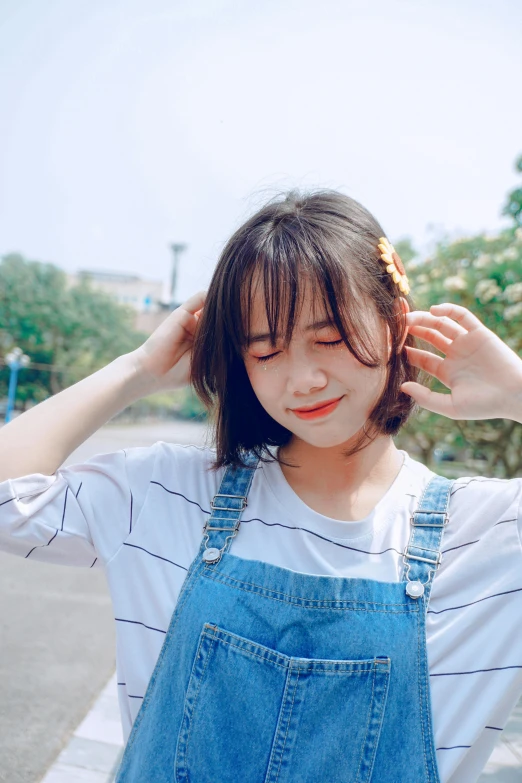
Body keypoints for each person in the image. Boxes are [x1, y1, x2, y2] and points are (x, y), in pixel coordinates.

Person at [1, 190, 521, 783]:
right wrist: (135, 372)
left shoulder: (485, 537)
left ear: (394, 322)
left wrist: (518, 394)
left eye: (329, 337)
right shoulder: (171, 494)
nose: (304, 378)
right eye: (266, 350)